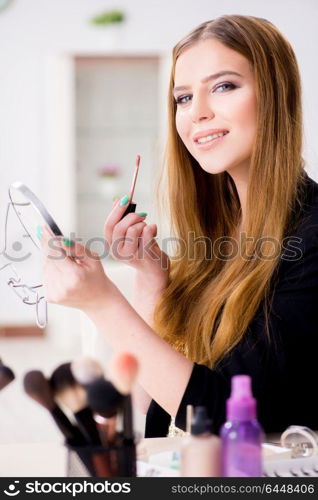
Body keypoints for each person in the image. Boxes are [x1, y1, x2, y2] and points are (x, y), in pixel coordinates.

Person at [41, 15, 318, 438]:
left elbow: (231, 420)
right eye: (183, 98)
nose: (198, 114)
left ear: (277, 95)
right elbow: (159, 417)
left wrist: (102, 304)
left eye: (224, 86)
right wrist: (151, 281)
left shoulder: (310, 239)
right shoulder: (221, 238)